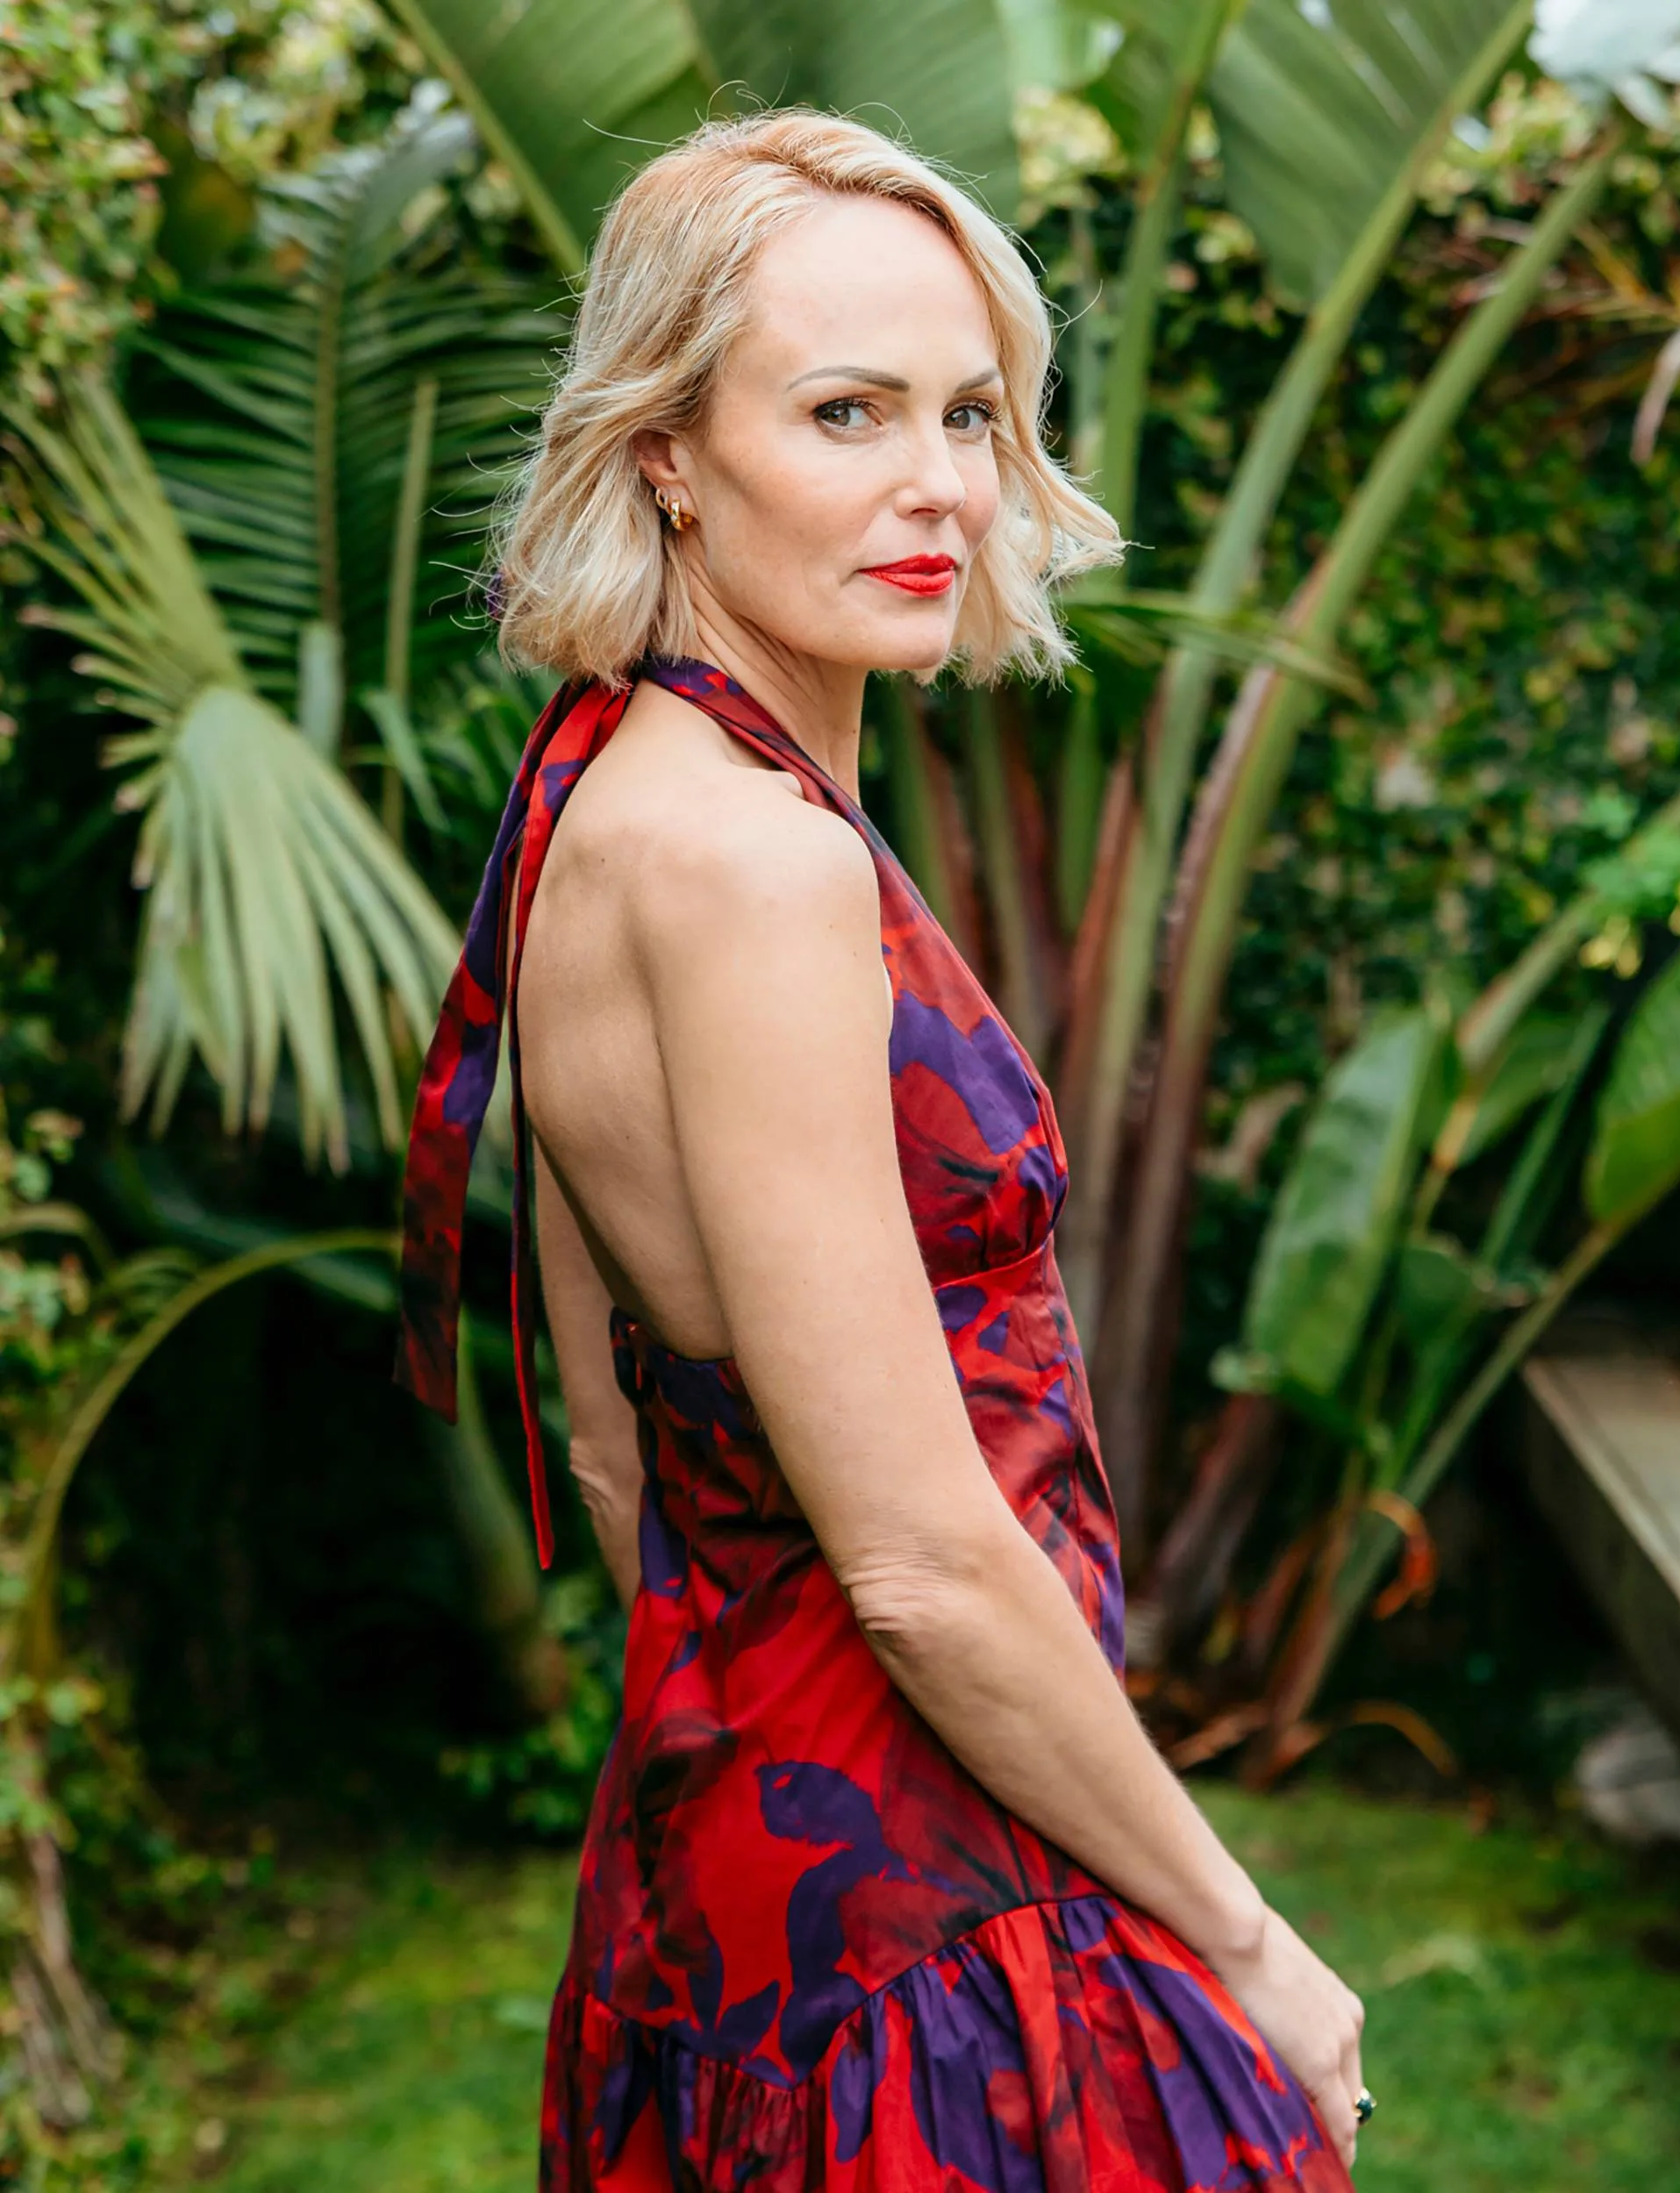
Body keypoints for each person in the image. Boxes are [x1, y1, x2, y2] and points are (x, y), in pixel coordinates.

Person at [397, 108, 1369, 2193]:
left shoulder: (599, 792)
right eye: (847, 411)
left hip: (730, 1858)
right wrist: (1248, 1941)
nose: (941, 482)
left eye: (970, 412)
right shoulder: (761, 868)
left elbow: (613, 1448)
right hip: (931, 1921)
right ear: (668, 446)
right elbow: (921, 1563)